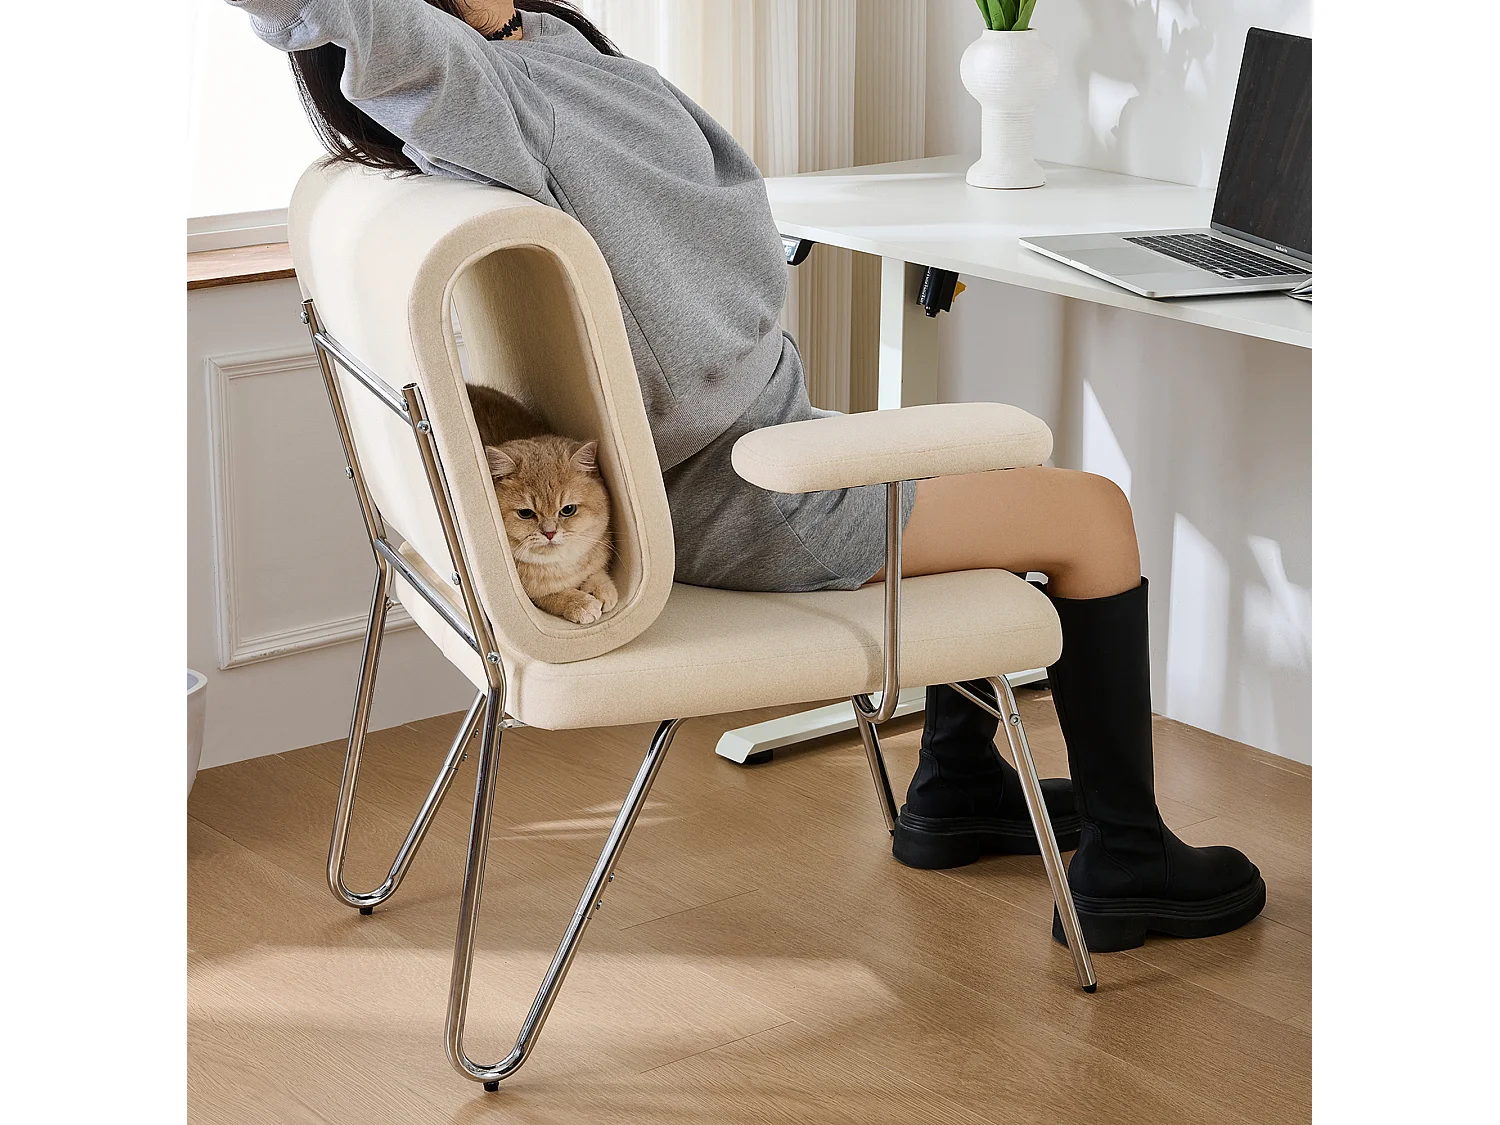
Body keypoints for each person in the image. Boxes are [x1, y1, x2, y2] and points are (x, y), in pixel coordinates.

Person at [223, 0, 1264, 952]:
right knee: (1090, 513)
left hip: (746, 445)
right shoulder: (472, 86)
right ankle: (1129, 861)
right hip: (748, 492)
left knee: (992, 459)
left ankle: (957, 789)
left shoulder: (536, 43)